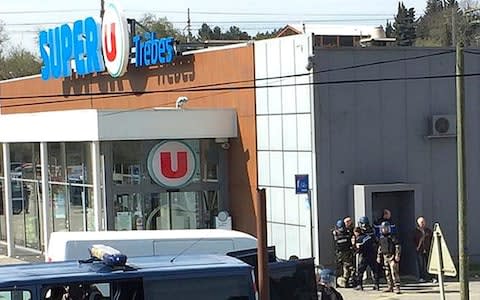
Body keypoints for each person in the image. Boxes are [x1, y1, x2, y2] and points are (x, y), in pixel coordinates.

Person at [353, 224, 380, 291]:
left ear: (357, 232)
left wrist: (353, 243)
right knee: (374, 270)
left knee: (360, 271)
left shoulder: (359, 239)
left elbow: (358, 249)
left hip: (364, 256)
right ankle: (376, 285)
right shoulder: (369, 237)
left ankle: (360, 285)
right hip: (372, 255)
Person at [377, 221, 401, 294]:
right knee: (387, 272)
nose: (384, 229)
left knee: (394, 272)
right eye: (383, 228)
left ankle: (397, 287)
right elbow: (380, 248)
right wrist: (378, 256)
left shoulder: (392, 237)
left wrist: (397, 255)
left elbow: (398, 246)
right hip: (385, 257)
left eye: (386, 228)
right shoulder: (381, 238)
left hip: (392, 256)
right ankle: (390, 286)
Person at [332, 219, 354, 287]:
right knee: (347, 267)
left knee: (338, 268)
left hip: (339, 253)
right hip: (347, 252)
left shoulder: (336, 233)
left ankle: (336, 283)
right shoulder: (347, 232)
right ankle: (346, 282)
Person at [413, 216, 433, 283]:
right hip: (419, 250)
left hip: (427, 250)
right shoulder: (416, 231)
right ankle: (421, 277)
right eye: (421, 222)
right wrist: (417, 247)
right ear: (418, 223)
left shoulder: (428, 231)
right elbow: (413, 240)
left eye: (424, 222)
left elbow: (432, 239)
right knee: (421, 264)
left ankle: (430, 277)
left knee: (429, 264)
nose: (423, 223)